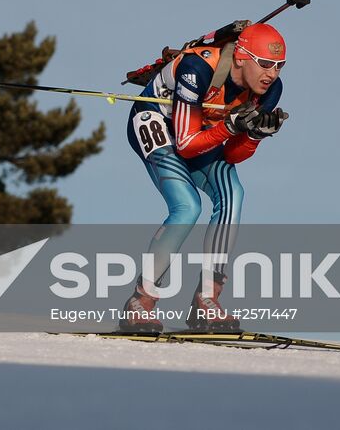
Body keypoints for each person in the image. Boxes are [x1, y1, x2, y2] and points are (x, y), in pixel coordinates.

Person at [119, 22, 290, 333]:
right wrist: (231, 127)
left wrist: (253, 135)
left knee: (233, 194)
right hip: (158, 120)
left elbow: (232, 155)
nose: (272, 74)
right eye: (265, 64)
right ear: (241, 57)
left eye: (279, 66)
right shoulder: (198, 67)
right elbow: (184, 145)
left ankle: (207, 300)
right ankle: (140, 301)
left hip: (201, 132)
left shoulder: (271, 90)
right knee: (187, 206)